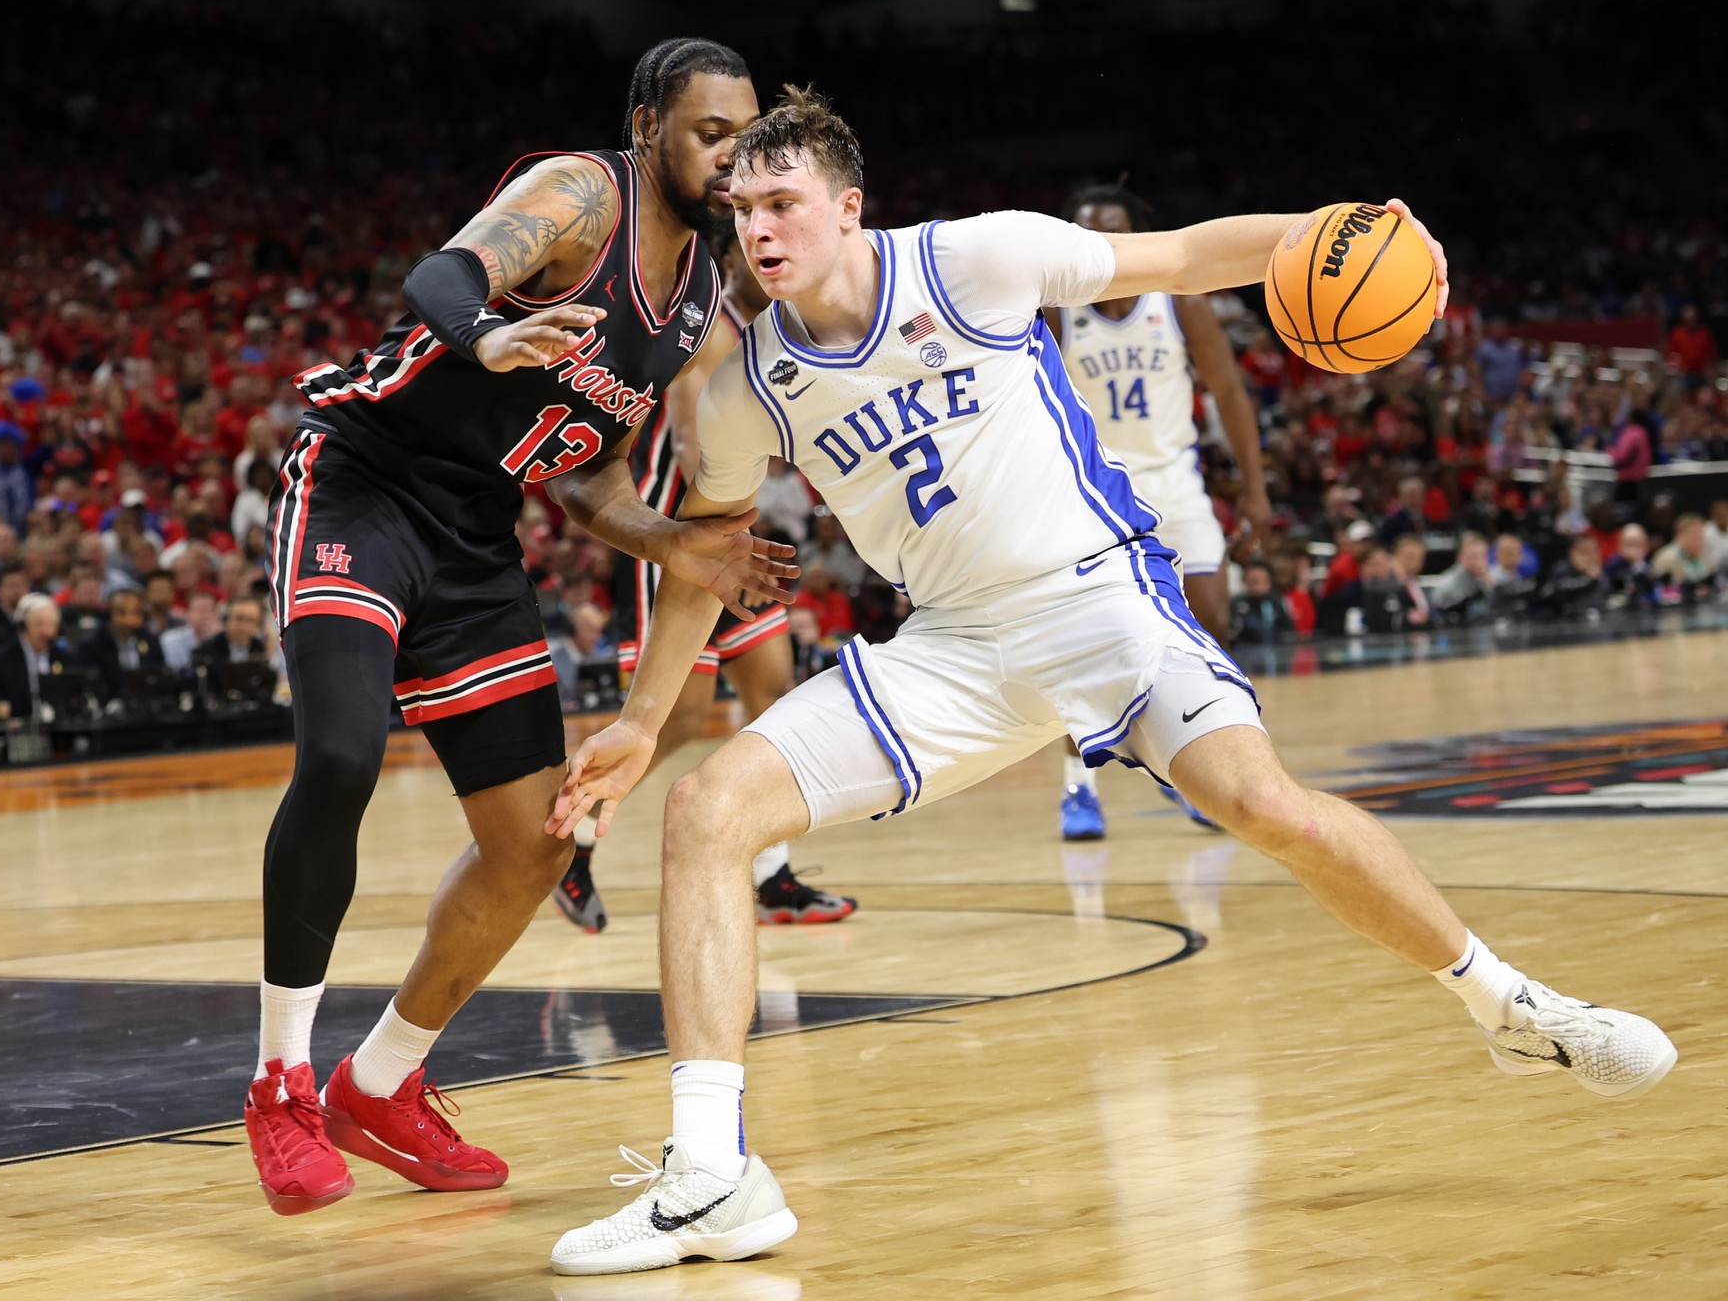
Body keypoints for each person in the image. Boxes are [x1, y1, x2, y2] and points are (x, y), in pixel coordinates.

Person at [544, 88, 1674, 1276]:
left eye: (783, 203)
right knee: (704, 811)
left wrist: (1355, 229)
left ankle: (1509, 1007)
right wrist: (638, 717)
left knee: (1263, 805)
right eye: (742, 209)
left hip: (1099, 594)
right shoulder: (741, 389)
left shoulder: (975, 259)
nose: (760, 229)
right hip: (953, 646)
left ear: (847, 206)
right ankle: (713, 1173)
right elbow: (705, 553)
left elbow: (1184, 256)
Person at [241, 38, 795, 1217]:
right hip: (367, 482)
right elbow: (442, 278)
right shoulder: (583, 195)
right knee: (338, 753)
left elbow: (586, 482)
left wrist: (674, 540)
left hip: (477, 533)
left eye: (747, 138)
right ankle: (279, 1080)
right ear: (648, 124)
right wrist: (482, 332)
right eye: (711, 133)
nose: (733, 158)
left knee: (536, 840)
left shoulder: (700, 294)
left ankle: (378, 1082)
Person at [559, 230, 855, 935]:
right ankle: (575, 836)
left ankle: (769, 874)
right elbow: (697, 443)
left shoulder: (776, 328)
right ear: (730, 260)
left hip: (734, 537)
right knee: (682, 714)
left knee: (772, 688)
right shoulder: (709, 326)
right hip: (674, 539)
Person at [1046, 182, 1272, 838]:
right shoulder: (1060, 311)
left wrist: (1254, 488)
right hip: (1098, 495)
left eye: (1113, 228)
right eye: (1088, 230)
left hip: (1175, 486)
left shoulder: (1180, 306)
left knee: (1211, 624)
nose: (1102, 241)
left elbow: (1229, 391)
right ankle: (1077, 790)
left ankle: (1193, 776)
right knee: (1087, 649)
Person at [0, 593, 77, 721]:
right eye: (39, 624)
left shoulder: (66, 658)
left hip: (59, 733)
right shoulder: (0, 660)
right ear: (23, 626)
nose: (46, 632)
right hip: (19, 732)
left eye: (52, 625)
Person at [78, 588, 161, 700]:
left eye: (136, 613)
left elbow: (158, 677)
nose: (130, 620)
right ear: (109, 613)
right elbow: (91, 686)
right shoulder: (93, 644)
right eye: (122, 613)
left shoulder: (150, 641)